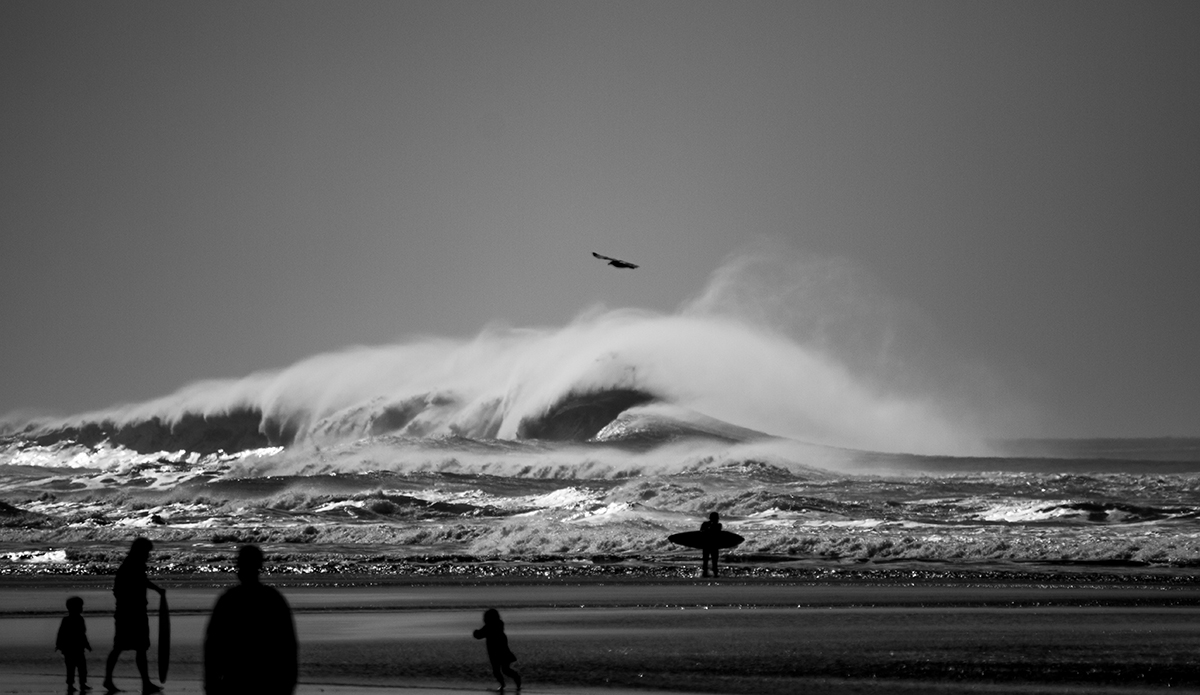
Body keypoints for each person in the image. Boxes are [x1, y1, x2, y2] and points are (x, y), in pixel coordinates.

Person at [204, 545, 298, 695]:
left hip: (235, 680)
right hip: (268, 681)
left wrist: (210, 683)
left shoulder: (229, 599)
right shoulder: (273, 599)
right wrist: (289, 682)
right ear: (260, 565)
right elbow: (289, 645)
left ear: (238, 566)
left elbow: (212, 645)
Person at [103, 537, 165, 694]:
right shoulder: (131, 565)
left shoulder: (135, 564)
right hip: (129, 613)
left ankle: (144, 682)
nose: (148, 555)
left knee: (139, 648)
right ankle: (109, 680)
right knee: (123, 647)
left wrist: (157, 590)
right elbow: (118, 590)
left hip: (133, 612)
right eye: (147, 551)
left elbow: (142, 581)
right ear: (140, 550)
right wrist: (130, 605)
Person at [473, 608, 521, 691]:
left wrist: (476, 633)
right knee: (499, 670)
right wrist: (477, 633)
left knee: (502, 670)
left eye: (486, 617)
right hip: (496, 652)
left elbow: (480, 635)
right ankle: (505, 684)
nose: (484, 619)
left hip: (499, 652)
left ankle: (512, 681)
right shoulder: (496, 625)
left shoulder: (492, 626)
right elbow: (480, 635)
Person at [57, 596, 92, 692]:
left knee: (81, 668)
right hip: (71, 649)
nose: (81, 609)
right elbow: (62, 633)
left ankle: (81, 684)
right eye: (80, 606)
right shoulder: (71, 620)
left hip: (76, 648)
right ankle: (72, 685)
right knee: (72, 668)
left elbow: (82, 634)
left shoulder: (78, 619)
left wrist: (87, 645)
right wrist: (59, 644)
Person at [701, 511, 722, 578]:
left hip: (714, 545)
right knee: (705, 560)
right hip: (706, 544)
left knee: (714, 561)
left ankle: (715, 573)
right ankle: (705, 573)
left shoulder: (719, 525)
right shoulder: (705, 524)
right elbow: (701, 532)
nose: (717, 519)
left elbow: (718, 532)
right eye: (716, 518)